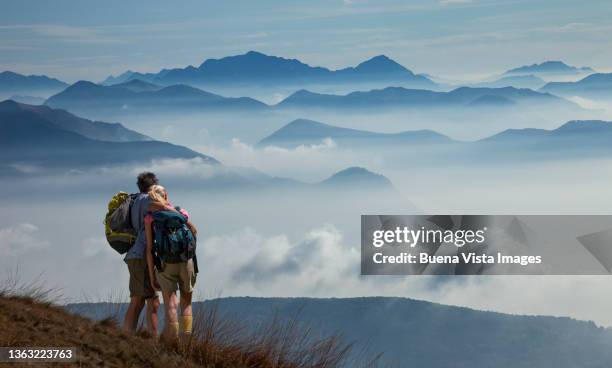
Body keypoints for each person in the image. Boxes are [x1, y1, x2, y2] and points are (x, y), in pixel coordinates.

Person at [144, 185, 198, 341]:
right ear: (166, 196)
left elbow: (149, 249)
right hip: (186, 262)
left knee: (170, 304)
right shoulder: (181, 212)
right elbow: (193, 233)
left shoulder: (150, 218)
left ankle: (173, 342)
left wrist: (152, 276)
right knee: (186, 303)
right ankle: (186, 343)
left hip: (165, 264)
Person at [123, 172, 160, 334]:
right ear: (154, 185)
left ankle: (127, 338)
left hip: (134, 254)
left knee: (142, 300)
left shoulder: (135, 200)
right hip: (143, 255)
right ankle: (150, 341)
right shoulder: (149, 200)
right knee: (146, 300)